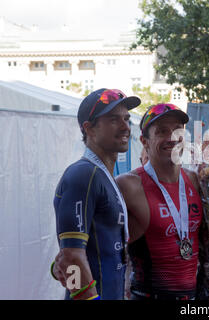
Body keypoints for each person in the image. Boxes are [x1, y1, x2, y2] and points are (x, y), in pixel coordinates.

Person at [51, 88, 141, 300]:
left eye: (126, 119)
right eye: (113, 119)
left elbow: (67, 260)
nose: (125, 127)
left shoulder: (102, 176)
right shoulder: (82, 174)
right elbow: (71, 257)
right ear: (89, 128)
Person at [116, 104, 203, 300]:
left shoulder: (195, 180)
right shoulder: (128, 185)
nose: (172, 137)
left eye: (178, 130)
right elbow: (105, 243)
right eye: (162, 131)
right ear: (144, 141)